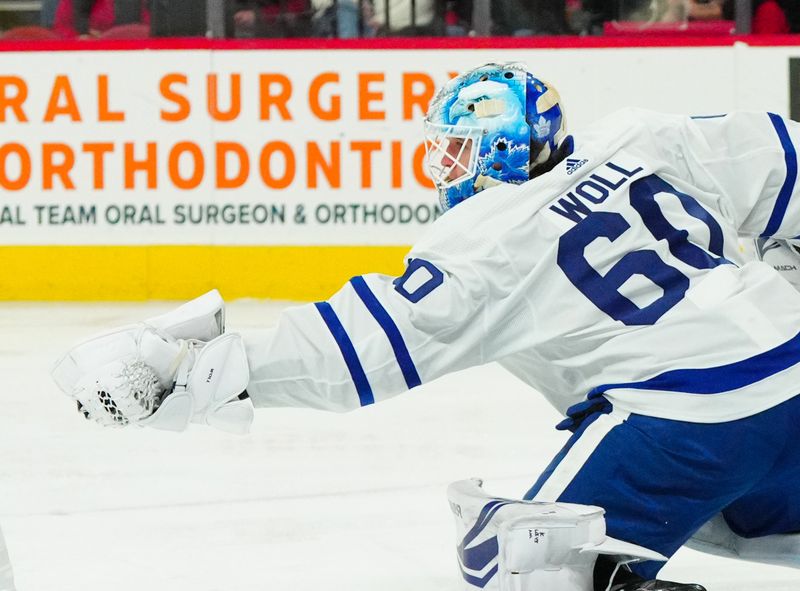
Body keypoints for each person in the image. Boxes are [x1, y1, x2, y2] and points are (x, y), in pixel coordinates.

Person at [53, 62, 800, 591]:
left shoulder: (490, 236)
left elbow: (358, 349)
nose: (445, 166)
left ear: (501, 150)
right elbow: (780, 155)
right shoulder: (638, 138)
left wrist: (186, 369)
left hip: (684, 419)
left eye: (458, 149)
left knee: (529, 560)